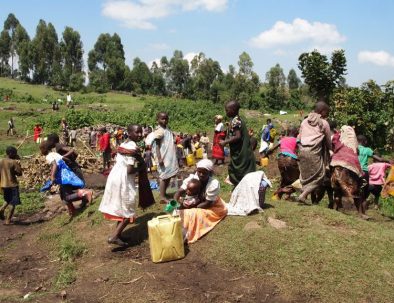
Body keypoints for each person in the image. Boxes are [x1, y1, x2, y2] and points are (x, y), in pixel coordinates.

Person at [99, 125, 146, 246]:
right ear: (130, 134)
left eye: (141, 132)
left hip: (115, 177)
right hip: (123, 179)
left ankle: (118, 234)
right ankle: (114, 237)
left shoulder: (125, 144)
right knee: (127, 208)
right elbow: (130, 170)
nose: (140, 134)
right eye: (137, 132)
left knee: (120, 208)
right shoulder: (132, 147)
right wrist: (141, 167)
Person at [174, 159, 227, 243]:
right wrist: (174, 202)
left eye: (204, 172)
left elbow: (208, 203)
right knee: (178, 212)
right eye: (199, 172)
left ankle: (187, 234)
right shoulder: (192, 178)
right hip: (196, 203)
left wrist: (192, 207)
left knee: (193, 214)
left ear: (210, 173)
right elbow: (179, 192)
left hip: (210, 206)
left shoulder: (213, 183)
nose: (201, 175)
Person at [40, 141, 92, 217]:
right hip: (67, 175)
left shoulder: (48, 156)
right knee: (64, 196)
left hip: (64, 177)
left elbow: (54, 165)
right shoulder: (54, 154)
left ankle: (85, 193)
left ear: (43, 149)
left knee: (66, 197)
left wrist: (53, 176)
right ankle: (73, 211)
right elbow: (65, 159)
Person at [297, 101, 332, 203]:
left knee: (305, 175)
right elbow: (328, 141)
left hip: (302, 150)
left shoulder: (304, 121)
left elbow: (299, 137)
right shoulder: (324, 123)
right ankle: (303, 195)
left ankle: (303, 192)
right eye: (327, 112)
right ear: (322, 111)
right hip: (313, 152)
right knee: (320, 176)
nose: (327, 115)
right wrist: (330, 150)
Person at [219, 101, 256, 187]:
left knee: (240, 171)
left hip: (241, 152)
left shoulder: (236, 121)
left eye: (227, 110)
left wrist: (225, 142)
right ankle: (240, 189)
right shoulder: (235, 120)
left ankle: (241, 189)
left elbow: (238, 136)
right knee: (236, 169)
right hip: (238, 151)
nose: (226, 112)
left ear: (233, 110)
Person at [330, 126, 364, 215]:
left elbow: (332, 144)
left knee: (337, 190)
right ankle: (360, 213)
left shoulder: (337, 137)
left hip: (336, 165)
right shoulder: (354, 142)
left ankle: (335, 209)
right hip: (350, 167)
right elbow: (357, 152)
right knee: (356, 190)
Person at [152, 112, 179, 204]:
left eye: (166, 118)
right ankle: (162, 196)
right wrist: (159, 158)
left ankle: (164, 193)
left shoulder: (167, 129)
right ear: (157, 120)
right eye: (162, 119)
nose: (165, 120)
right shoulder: (159, 131)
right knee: (164, 176)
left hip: (169, 156)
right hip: (163, 157)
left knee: (169, 175)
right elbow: (157, 146)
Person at [357, 135, 390, 206]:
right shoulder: (367, 150)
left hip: (354, 170)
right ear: (364, 141)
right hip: (363, 172)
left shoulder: (353, 148)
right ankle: (362, 209)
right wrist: (389, 161)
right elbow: (380, 159)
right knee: (364, 192)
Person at [268, 126, 300, 200]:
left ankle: (281, 196)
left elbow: (272, 149)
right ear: (295, 133)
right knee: (298, 180)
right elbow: (301, 149)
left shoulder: (282, 139)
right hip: (291, 160)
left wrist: (266, 154)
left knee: (285, 178)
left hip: (281, 160)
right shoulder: (296, 140)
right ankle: (281, 191)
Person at [0, 146, 22, 225]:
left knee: (7, 199)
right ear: (11, 153)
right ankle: (8, 220)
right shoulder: (13, 162)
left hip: (3, 184)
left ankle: (1, 209)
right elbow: (19, 173)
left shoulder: (1, 161)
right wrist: (18, 163)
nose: (16, 154)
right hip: (12, 185)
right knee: (13, 203)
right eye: (15, 153)